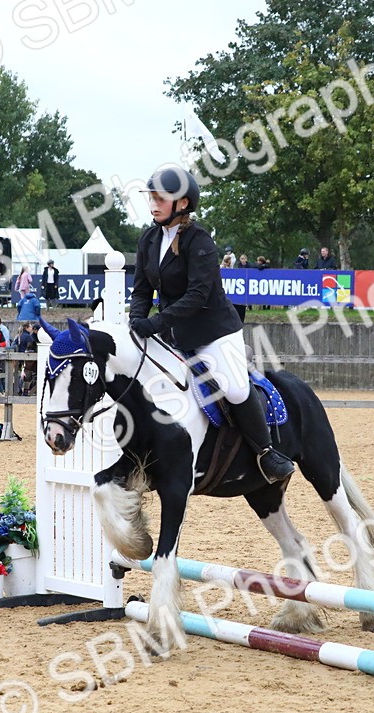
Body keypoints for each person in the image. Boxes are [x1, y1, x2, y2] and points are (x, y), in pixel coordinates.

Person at [129, 166, 293, 482]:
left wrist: (157, 321)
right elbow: (140, 290)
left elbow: (198, 295)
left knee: (232, 387)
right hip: (173, 334)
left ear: (183, 204)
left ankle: (266, 453)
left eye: (160, 198)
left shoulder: (199, 240)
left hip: (213, 332)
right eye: (151, 197)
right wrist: (137, 321)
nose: (153, 203)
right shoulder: (149, 239)